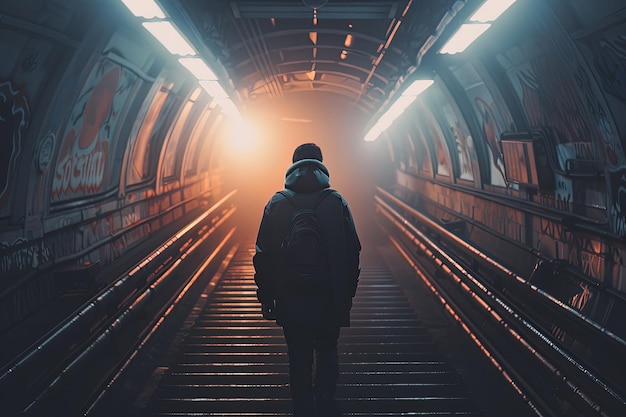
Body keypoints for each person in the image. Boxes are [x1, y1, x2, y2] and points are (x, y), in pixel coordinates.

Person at [253, 143, 361, 417]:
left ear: (293, 165)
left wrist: (266, 296)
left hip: (290, 294)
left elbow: (263, 255)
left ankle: (302, 406)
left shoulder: (277, 202)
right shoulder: (337, 201)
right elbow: (353, 252)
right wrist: (347, 292)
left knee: (298, 355)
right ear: (322, 165)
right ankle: (325, 401)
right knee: (327, 349)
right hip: (329, 294)